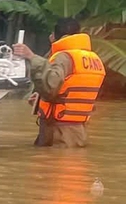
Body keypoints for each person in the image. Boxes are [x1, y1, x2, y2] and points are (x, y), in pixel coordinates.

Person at [12, 17, 104, 148]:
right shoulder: (93, 59)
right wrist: (39, 98)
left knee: (56, 165)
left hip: (60, 130)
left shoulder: (64, 57)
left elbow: (51, 87)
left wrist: (31, 56)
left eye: (52, 34)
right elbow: (72, 90)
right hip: (78, 129)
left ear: (56, 36)